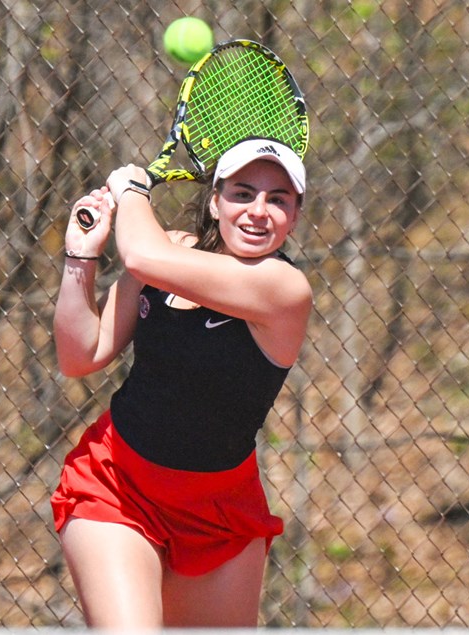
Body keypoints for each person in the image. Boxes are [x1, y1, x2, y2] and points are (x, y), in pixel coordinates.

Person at [50, 137, 312, 629]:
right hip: (119, 483)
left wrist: (131, 190)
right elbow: (81, 355)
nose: (259, 211)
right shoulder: (168, 249)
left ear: (295, 215)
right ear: (215, 201)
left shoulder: (283, 289)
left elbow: (143, 257)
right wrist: (80, 258)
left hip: (220, 513)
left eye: (278, 199)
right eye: (242, 193)